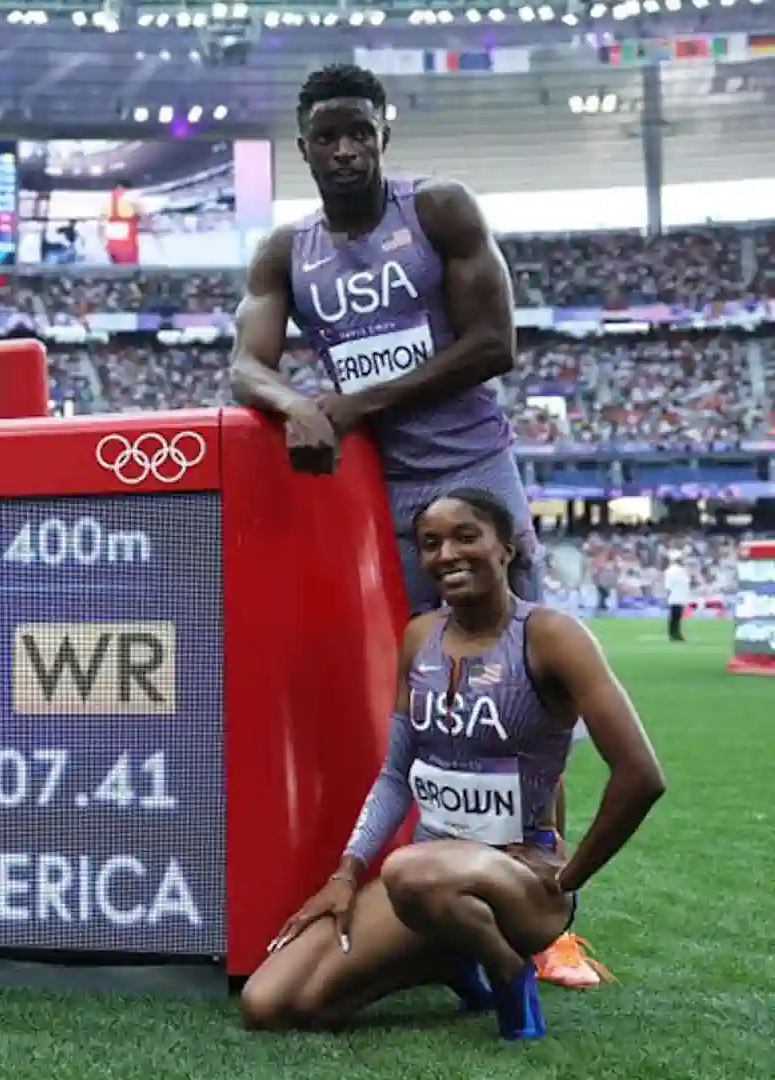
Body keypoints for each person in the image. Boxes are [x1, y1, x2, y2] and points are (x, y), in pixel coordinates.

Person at [227, 61, 602, 986]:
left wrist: (350, 401)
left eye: (360, 131)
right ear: (305, 146)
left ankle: (543, 905)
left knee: (524, 682)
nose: (346, 148)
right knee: (433, 696)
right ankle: (445, 894)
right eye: (327, 135)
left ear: (383, 134)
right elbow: (245, 365)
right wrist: (297, 402)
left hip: (474, 472)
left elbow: (493, 344)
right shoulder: (286, 251)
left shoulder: (436, 210)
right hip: (378, 499)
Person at [239, 490, 666, 1039]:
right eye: (431, 544)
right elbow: (396, 774)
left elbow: (641, 776)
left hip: (521, 884)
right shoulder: (421, 637)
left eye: (466, 536)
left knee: (408, 869)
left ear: (506, 547)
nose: (447, 554)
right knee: (272, 1003)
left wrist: (566, 875)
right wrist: (344, 875)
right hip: (426, 883)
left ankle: (510, 969)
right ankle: (450, 958)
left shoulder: (553, 637)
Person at [662, 553, 690, 642]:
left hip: (678, 596)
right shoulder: (672, 571)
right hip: (675, 596)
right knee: (675, 617)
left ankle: (675, 634)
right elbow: (668, 585)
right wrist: (667, 595)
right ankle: (674, 634)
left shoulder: (680, 570)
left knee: (676, 617)